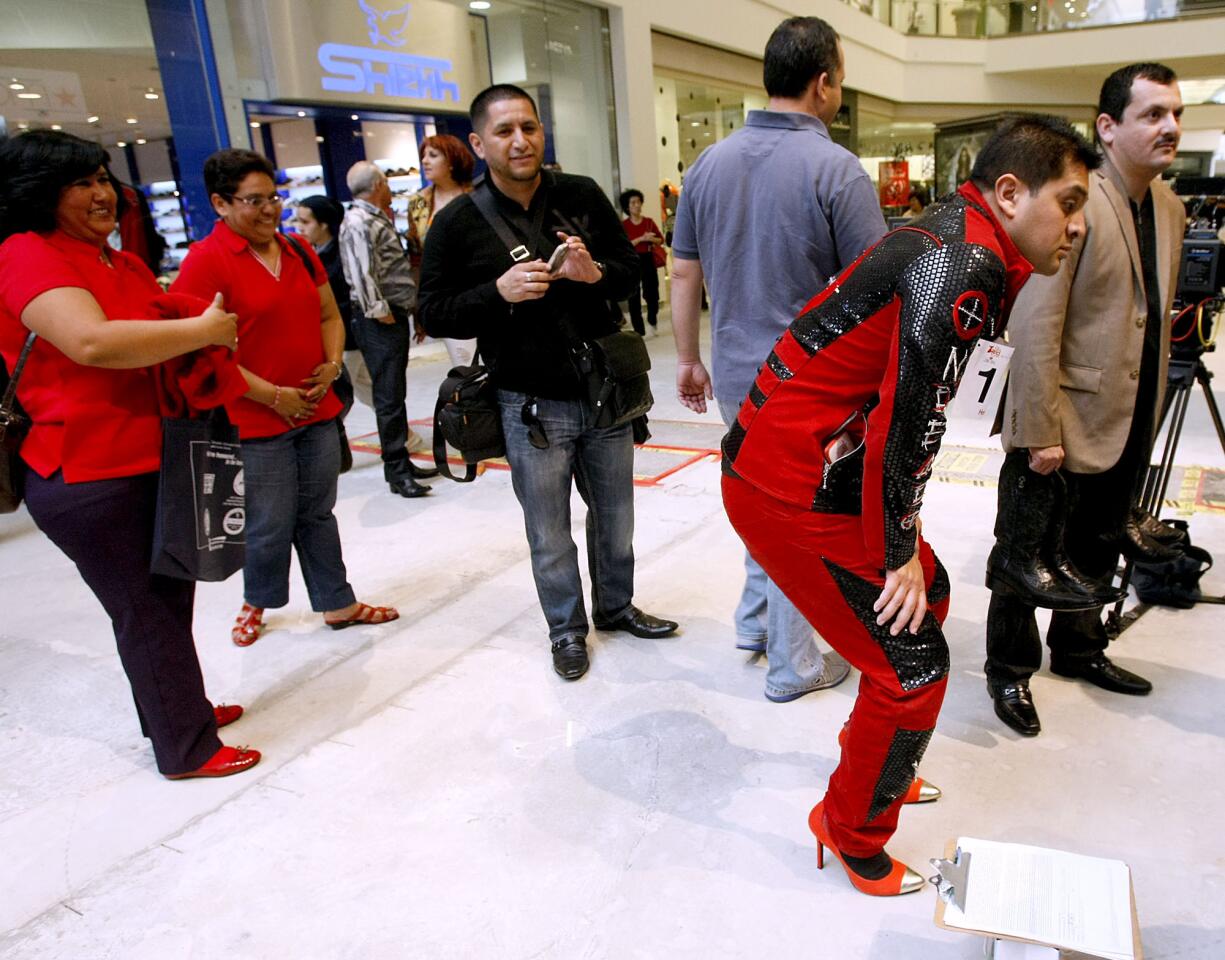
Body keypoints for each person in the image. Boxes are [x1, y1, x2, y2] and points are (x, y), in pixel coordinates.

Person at [721, 115, 1098, 895]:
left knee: (926, 601)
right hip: (787, 484)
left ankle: (874, 765)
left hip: (815, 463)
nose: (1078, 224)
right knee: (914, 664)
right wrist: (896, 547)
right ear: (1008, 192)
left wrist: (903, 549)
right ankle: (851, 827)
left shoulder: (966, 236)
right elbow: (911, 415)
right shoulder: (961, 258)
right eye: (1067, 203)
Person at [0, 130, 260, 780]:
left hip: (149, 456)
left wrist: (198, 321)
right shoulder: (26, 253)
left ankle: (178, 713)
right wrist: (198, 329)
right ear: (39, 192)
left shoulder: (118, 261)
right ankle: (187, 748)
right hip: (87, 470)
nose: (102, 193)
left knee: (166, 602)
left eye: (102, 178)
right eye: (82, 182)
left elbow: (158, 319)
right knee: (143, 608)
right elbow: (89, 342)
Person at [418, 83, 679, 681]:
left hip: (604, 391)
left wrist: (595, 276)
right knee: (548, 529)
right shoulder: (458, 222)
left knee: (616, 516)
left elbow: (627, 271)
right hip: (528, 401)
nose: (520, 141)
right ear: (480, 144)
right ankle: (566, 629)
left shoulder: (580, 194)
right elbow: (433, 311)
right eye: (505, 131)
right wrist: (496, 293)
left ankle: (615, 607)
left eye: (529, 128)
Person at [671, 16, 886, 702]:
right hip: (806, 386)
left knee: (755, 496)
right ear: (823, 82)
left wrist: (686, 359)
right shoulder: (836, 170)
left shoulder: (707, 165)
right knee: (795, 517)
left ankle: (754, 623)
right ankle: (793, 665)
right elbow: (877, 291)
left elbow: (682, 274)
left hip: (735, 372)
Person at [984, 63, 1187, 736]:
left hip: (1126, 414)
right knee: (1025, 554)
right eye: (1152, 114)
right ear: (1107, 127)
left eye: (1175, 114)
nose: (1169, 127)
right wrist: (1037, 425)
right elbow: (1036, 320)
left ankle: (1078, 647)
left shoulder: (1169, 208)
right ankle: (1009, 672)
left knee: (1099, 544)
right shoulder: (1073, 202)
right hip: (1059, 418)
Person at [172, 149, 400, 646]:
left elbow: (329, 316)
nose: (270, 210)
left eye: (273, 197)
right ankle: (258, 600)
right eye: (254, 201)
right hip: (255, 420)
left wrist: (334, 364)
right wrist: (274, 396)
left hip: (315, 410)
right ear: (220, 203)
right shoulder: (206, 263)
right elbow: (204, 353)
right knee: (269, 521)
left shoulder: (295, 249)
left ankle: (338, 602)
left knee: (317, 513)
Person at [339, 161, 438, 498]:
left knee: (393, 394)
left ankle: (401, 461)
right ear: (379, 183)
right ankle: (396, 470)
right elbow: (362, 274)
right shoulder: (359, 221)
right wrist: (381, 313)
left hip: (390, 317)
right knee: (388, 398)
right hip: (380, 320)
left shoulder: (373, 217)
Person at [292, 194, 364, 473]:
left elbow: (339, 306)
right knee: (363, 389)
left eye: (305, 221)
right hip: (330, 341)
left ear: (324, 224)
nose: (300, 227)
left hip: (347, 337)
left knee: (348, 391)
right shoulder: (305, 254)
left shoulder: (339, 256)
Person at [406, 133, 478, 369]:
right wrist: (420, 304)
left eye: (433, 155)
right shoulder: (418, 203)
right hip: (446, 294)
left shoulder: (478, 195)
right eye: (423, 155)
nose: (425, 160)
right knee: (465, 364)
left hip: (483, 286)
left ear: (452, 160)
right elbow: (417, 257)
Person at [618, 188, 665, 336]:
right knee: (634, 295)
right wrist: (640, 239)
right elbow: (622, 245)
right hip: (631, 261)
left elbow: (661, 239)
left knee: (652, 293)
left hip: (648, 259)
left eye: (638, 202)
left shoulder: (648, 222)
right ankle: (639, 330)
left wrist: (651, 239)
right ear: (627, 206)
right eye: (633, 202)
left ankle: (652, 319)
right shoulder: (624, 225)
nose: (637, 205)